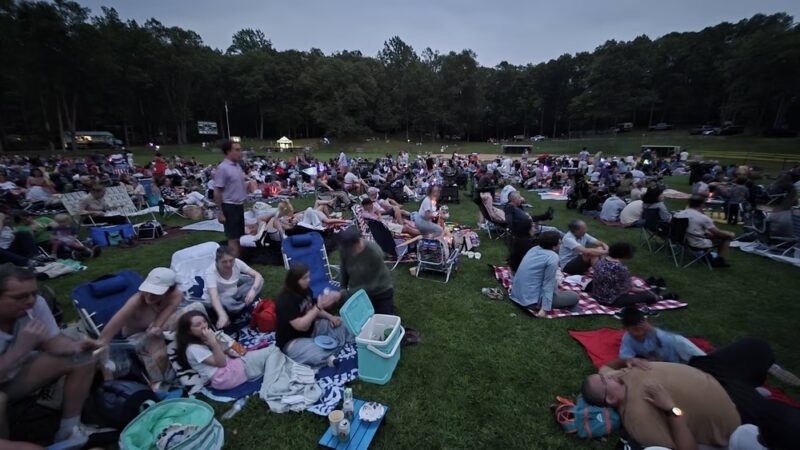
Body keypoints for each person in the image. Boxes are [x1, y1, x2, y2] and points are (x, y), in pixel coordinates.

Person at [581, 337, 800, 450]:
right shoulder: (638, 418)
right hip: (731, 404)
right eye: (604, 381)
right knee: (786, 424)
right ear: (610, 398)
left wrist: (628, 360)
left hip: (707, 371)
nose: (608, 375)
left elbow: (606, 367)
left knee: (756, 346)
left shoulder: (614, 376)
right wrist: (671, 410)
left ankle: (752, 385)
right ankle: (753, 394)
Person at [0, 264, 100, 445]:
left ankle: (69, 430)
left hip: (15, 374)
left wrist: (75, 346)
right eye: (20, 297)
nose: (30, 300)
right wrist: (20, 349)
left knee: (83, 357)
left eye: (33, 293)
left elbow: (52, 341)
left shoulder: (35, 304)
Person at [275, 264, 352, 369]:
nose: (309, 280)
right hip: (293, 342)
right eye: (305, 278)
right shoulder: (285, 301)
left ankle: (349, 342)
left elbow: (312, 309)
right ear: (294, 281)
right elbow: (301, 326)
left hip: (312, 330)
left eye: (308, 276)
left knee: (343, 323)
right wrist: (319, 307)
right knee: (316, 353)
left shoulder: (305, 290)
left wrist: (330, 317)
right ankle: (327, 353)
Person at [175, 310, 275, 389]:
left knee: (270, 353)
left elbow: (237, 352)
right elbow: (221, 363)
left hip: (230, 368)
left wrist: (222, 340)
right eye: (198, 325)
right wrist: (214, 343)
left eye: (204, 321)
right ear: (188, 331)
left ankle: (263, 366)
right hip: (224, 377)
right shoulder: (193, 348)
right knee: (273, 351)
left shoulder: (207, 338)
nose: (204, 326)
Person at [509, 231, 580, 317]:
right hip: (530, 302)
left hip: (516, 294)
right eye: (559, 243)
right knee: (574, 297)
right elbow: (548, 284)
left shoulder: (534, 249)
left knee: (556, 287)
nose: (561, 245)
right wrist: (544, 309)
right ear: (554, 247)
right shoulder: (552, 257)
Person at [337, 226, 395, 314]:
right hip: (358, 291)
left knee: (382, 319)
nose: (348, 251)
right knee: (357, 320)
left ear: (357, 243)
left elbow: (372, 284)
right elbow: (344, 269)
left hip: (380, 291)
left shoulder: (374, 252)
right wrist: (343, 288)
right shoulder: (345, 249)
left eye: (350, 248)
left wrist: (349, 294)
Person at [591, 243, 670, 307]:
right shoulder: (621, 269)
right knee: (648, 296)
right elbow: (630, 289)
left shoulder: (601, 261)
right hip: (610, 300)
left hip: (596, 294)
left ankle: (653, 293)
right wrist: (645, 291)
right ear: (625, 255)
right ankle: (658, 297)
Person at [204, 246, 264, 329]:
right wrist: (222, 315)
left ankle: (241, 309)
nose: (228, 264)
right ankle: (246, 309)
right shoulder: (210, 273)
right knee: (223, 300)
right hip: (221, 300)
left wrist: (252, 291)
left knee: (259, 281)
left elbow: (258, 275)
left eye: (231, 260)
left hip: (235, 293)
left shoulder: (237, 263)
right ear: (217, 262)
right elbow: (214, 297)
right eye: (224, 262)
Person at [674, 195, 735, 267]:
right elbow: (717, 232)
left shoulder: (678, 214)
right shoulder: (703, 218)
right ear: (702, 205)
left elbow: (690, 227)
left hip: (683, 240)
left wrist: (706, 232)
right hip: (696, 243)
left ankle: (709, 256)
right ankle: (718, 260)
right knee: (726, 237)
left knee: (711, 234)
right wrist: (730, 234)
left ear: (689, 203)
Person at [214, 139, 247, 257]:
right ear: (228, 151)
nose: (240, 152)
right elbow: (217, 191)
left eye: (240, 149)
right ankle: (235, 265)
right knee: (233, 238)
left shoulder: (237, 166)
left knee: (239, 236)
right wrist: (220, 212)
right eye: (237, 150)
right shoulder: (223, 168)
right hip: (229, 206)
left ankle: (240, 262)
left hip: (239, 205)